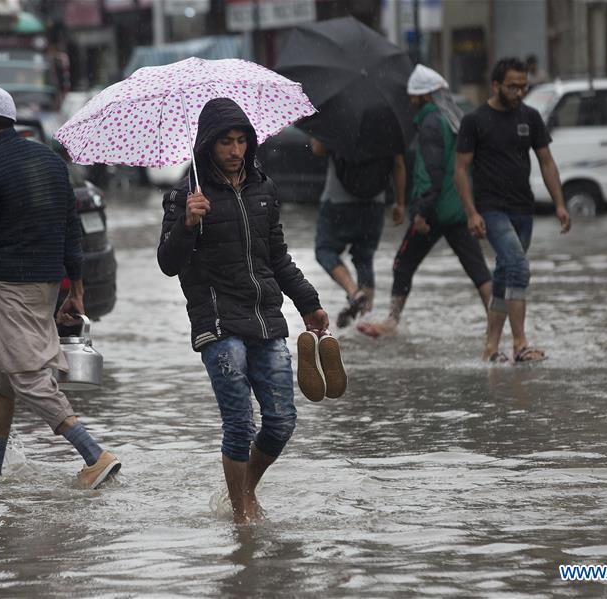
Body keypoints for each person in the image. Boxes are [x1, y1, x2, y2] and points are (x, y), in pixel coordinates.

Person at [158, 97, 338, 524]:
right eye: (225, 143)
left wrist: (309, 304)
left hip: (265, 318)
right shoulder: (186, 195)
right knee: (239, 424)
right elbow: (168, 263)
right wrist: (186, 223)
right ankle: (242, 514)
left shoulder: (263, 188)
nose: (235, 151)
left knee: (281, 422)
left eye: (242, 141)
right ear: (207, 145)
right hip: (217, 323)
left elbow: (277, 257)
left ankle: (243, 489)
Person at [0, 85, 120, 489]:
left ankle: (94, 454)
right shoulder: (51, 162)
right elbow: (71, 228)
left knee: (29, 378)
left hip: (11, 287)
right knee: (1, 377)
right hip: (48, 283)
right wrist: (77, 287)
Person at [357, 65, 492, 338]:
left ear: (424, 97)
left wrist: (421, 212)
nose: (410, 101)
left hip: (434, 211)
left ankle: (392, 322)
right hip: (457, 210)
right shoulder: (453, 118)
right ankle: (498, 320)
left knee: (402, 263)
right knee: (478, 271)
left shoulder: (431, 123)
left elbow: (432, 171)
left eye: (413, 96)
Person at [454, 58, 571, 364]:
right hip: (491, 209)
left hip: (523, 208)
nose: (519, 92)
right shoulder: (475, 121)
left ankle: (491, 348)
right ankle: (521, 344)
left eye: (524, 86)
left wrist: (559, 203)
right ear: (495, 86)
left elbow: (547, 161)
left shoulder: (530, 118)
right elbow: (461, 170)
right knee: (518, 267)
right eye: (513, 86)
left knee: (506, 275)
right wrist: (471, 213)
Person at [312, 136, 406, 329]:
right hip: (374, 203)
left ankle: (355, 294)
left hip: (337, 202)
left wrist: (318, 134)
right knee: (364, 257)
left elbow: (319, 149)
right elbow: (398, 164)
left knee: (324, 250)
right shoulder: (387, 118)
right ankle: (366, 320)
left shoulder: (335, 114)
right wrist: (400, 203)